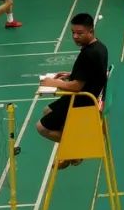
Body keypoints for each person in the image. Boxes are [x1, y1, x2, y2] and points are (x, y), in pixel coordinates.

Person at [36, 12, 109, 169]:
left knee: (41, 128)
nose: (75, 36)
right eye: (73, 32)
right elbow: (92, 73)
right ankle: (72, 150)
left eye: (80, 33)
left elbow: (76, 86)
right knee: (47, 110)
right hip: (90, 95)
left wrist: (53, 82)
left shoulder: (88, 54)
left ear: (91, 31)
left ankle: (76, 147)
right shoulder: (100, 47)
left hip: (83, 101)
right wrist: (71, 74)